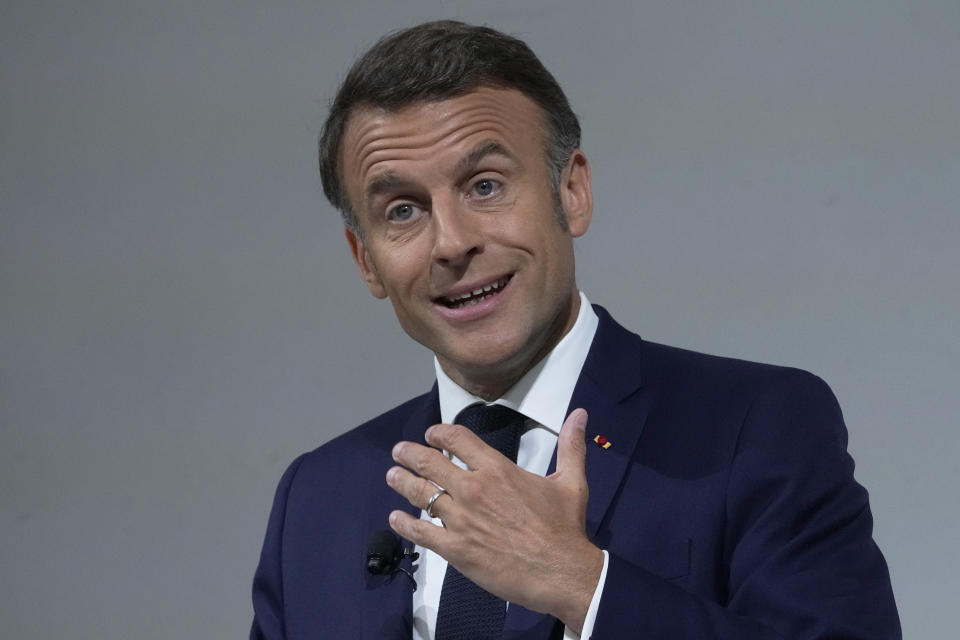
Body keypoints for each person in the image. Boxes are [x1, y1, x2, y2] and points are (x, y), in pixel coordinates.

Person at [250, 20, 900, 639]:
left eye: (484, 186)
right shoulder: (317, 499)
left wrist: (583, 584)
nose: (450, 243)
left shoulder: (756, 429)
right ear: (366, 260)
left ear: (573, 193)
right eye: (402, 210)